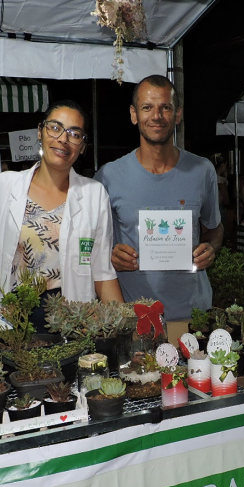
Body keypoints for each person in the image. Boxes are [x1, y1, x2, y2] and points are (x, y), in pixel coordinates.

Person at [0, 100, 123, 327]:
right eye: (55, 127)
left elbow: (102, 273)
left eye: (74, 133)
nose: (63, 139)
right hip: (13, 322)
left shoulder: (93, 194)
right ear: (40, 132)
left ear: (82, 146)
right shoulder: (3, 187)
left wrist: (127, 330)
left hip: (70, 323)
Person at [96, 75, 222, 333]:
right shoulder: (109, 176)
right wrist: (110, 256)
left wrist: (211, 248)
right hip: (134, 318)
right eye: (147, 107)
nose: (157, 115)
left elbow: (215, 229)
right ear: (133, 114)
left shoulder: (202, 170)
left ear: (177, 115)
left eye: (165, 107)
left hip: (194, 317)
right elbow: (93, 246)